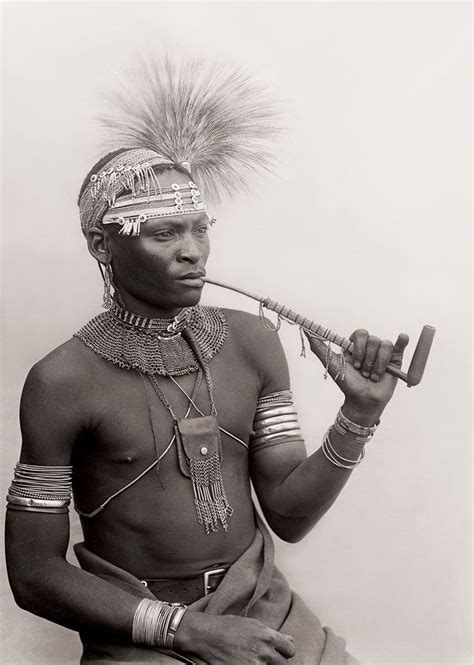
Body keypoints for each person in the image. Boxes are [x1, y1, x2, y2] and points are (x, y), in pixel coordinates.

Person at [5, 58, 408, 665]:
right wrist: (183, 631)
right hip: (141, 627)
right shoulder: (62, 381)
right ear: (102, 245)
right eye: (163, 233)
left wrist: (358, 417)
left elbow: (289, 517)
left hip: (262, 606)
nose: (191, 252)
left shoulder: (250, 342)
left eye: (199, 228)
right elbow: (32, 574)